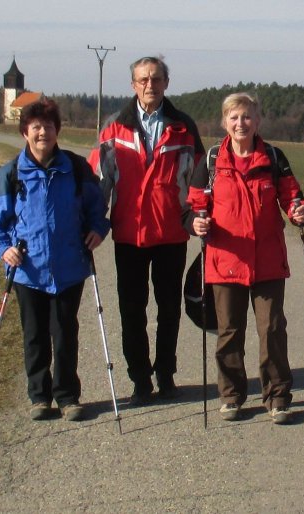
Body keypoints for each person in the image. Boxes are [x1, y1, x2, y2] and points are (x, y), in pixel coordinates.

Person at [0, 98, 110, 422]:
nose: (42, 133)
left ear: (57, 131)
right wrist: (2, 250)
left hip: (69, 267)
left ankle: (67, 396)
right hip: (28, 271)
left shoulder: (76, 169)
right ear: (25, 131)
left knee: (65, 332)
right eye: (36, 127)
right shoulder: (9, 175)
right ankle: (40, 396)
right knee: (34, 334)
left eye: (48, 127)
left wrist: (97, 229)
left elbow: (97, 210)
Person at [188, 92, 304, 425]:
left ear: (257, 121)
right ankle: (231, 396)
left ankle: (277, 397)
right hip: (225, 260)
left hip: (268, 260)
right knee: (229, 331)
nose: (240, 123)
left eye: (246, 117)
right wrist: (195, 222)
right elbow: (194, 205)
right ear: (223, 122)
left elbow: (293, 197)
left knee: (272, 329)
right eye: (233, 117)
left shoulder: (273, 156)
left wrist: (300, 212)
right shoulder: (212, 160)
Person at [88, 56, 205, 405]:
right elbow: (99, 182)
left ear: (166, 83)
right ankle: (140, 379)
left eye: (155, 79)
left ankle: (165, 373)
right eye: (142, 79)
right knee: (132, 311)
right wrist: (93, 223)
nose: (149, 85)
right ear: (133, 84)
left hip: (171, 233)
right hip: (130, 235)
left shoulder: (183, 126)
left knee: (169, 309)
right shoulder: (114, 127)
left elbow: (198, 180)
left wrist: (199, 215)